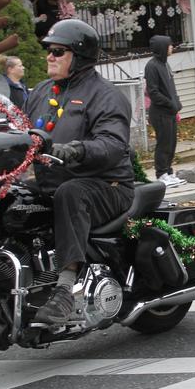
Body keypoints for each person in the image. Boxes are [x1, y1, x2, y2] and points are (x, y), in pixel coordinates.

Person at [23, 19, 135, 325]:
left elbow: (112, 144)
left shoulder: (106, 95)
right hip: (52, 183)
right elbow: (19, 131)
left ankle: (64, 289)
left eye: (58, 51)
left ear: (80, 57)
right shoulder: (41, 92)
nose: (50, 56)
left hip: (107, 185)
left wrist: (75, 150)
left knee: (71, 193)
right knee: (11, 198)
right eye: (48, 50)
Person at [144, 35, 185, 188]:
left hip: (170, 112)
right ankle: (161, 174)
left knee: (172, 143)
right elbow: (153, 92)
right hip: (160, 112)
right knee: (164, 144)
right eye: (169, 45)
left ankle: (168, 171)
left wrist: (177, 103)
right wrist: (170, 104)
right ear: (162, 47)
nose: (171, 47)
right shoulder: (152, 66)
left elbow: (170, 89)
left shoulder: (165, 64)